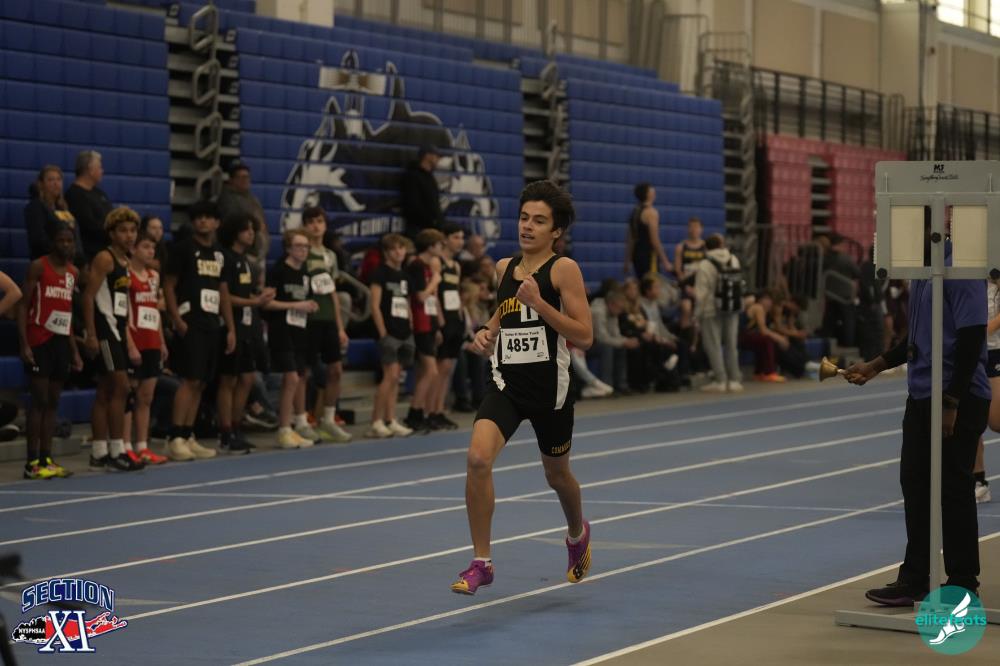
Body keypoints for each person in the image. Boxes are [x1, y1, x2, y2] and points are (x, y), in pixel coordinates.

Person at [451, 180, 593, 595]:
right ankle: (481, 562)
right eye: (524, 218)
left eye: (539, 221)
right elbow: (504, 311)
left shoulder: (563, 270)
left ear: (556, 231)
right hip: (507, 384)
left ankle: (576, 533)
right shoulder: (503, 267)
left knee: (557, 475)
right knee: (478, 459)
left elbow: (585, 336)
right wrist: (486, 331)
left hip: (550, 391)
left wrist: (541, 304)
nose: (527, 226)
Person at [845, 233, 989, 605]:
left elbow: (972, 337)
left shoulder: (961, 269)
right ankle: (915, 578)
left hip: (958, 395)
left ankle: (963, 582)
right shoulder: (922, 274)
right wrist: (878, 364)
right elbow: (918, 337)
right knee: (915, 482)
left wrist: (952, 402)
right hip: (922, 393)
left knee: (954, 488)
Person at [163, 200, 236, 461]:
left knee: (202, 382)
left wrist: (230, 327)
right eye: (198, 217)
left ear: (217, 223)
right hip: (190, 321)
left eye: (208, 217)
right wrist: (176, 318)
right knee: (190, 380)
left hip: (212, 323)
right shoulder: (183, 249)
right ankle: (175, 437)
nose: (203, 221)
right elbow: (168, 285)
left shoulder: (220, 255)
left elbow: (223, 291)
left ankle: (188, 433)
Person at [81, 207, 143, 471]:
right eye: (123, 231)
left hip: (117, 329)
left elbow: (122, 304)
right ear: (112, 233)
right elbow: (88, 297)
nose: (129, 236)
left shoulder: (126, 261)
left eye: (133, 231)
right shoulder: (105, 259)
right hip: (104, 329)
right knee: (121, 388)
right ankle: (117, 449)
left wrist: (128, 337)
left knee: (106, 391)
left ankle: (99, 452)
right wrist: (91, 334)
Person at [17, 224, 78, 479]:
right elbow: (23, 305)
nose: (65, 245)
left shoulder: (73, 272)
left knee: (53, 401)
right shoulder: (39, 267)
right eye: (61, 240)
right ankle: (32, 462)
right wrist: (24, 344)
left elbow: (67, 312)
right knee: (39, 401)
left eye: (69, 240)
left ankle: (47, 458)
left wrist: (74, 351)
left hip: (60, 341)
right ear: (53, 242)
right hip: (39, 339)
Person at [216, 215, 273, 454]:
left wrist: (260, 298)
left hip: (248, 324)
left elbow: (247, 294)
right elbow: (224, 296)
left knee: (247, 378)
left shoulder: (246, 261)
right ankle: (225, 432)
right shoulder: (226, 258)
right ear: (234, 232)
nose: (251, 234)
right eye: (246, 230)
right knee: (228, 379)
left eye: (252, 230)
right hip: (231, 325)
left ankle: (236, 426)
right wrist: (253, 301)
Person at [300, 207, 352, 443]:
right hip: (308, 319)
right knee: (304, 373)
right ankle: (301, 420)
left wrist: (340, 327)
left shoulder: (331, 256)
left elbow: (332, 292)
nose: (316, 226)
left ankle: (328, 420)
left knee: (336, 370)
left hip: (329, 319)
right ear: (304, 226)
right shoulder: (302, 252)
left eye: (320, 221)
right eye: (311, 222)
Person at [264, 229, 320, 449]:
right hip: (282, 330)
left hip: (300, 330)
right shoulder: (279, 270)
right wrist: (296, 305)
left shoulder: (305, 273)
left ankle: (297, 424)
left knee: (300, 376)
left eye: (306, 246)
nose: (303, 250)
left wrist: (310, 306)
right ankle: (284, 429)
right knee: (291, 378)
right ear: (288, 248)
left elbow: (305, 299)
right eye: (298, 246)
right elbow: (267, 303)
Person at [125, 232, 169, 465]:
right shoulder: (125, 276)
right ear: (133, 249)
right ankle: (125, 445)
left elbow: (154, 310)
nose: (150, 251)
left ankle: (142, 446)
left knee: (146, 397)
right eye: (145, 247)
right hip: (135, 340)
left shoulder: (154, 276)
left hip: (152, 340)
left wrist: (161, 341)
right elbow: (123, 313)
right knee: (129, 397)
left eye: (153, 247)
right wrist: (130, 344)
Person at [367, 234, 416, 438]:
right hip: (389, 331)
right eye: (394, 249)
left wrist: (410, 324)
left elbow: (406, 302)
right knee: (389, 376)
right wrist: (382, 333)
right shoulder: (380, 274)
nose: (399, 252)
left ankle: (391, 418)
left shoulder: (404, 276)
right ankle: (376, 421)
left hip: (404, 330)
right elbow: (375, 305)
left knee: (397, 377)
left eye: (401, 248)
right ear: (386, 253)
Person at [405, 229, 446, 431]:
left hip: (429, 322)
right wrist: (435, 281)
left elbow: (430, 299)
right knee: (431, 371)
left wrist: (437, 324)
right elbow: (421, 296)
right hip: (420, 323)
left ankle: (419, 411)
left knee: (425, 371)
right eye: (439, 245)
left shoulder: (427, 267)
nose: (441, 248)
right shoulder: (417, 266)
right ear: (430, 246)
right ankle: (414, 413)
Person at [427, 223, 466, 429]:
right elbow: (434, 293)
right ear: (445, 239)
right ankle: (430, 411)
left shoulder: (456, 266)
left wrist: (461, 316)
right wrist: (439, 319)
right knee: (439, 367)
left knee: (448, 367)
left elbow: (456, 291)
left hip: (455, 318)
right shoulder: (437, 262)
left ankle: (439, 409)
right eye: (456, 237)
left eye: (461, 237)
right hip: (442, 318)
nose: (460, 241)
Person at [694, 233, 743, 392]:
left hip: (711, 309)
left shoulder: (704, 264)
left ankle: (720, 380)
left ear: (706, 247)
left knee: (713, 345)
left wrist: (697, 314)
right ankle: (734, 379)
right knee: (731, 344)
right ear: (721, 245)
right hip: (732, 306)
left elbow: (701, 294)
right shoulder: (733, 259)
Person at [24, 165, 83, 261]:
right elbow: (38, 240)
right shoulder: (36, 207)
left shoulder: (63, 208)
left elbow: (75, 235)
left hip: (70, 261)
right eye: (51, 180)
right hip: (48, 260)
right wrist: (61, 252)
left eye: (59, 179)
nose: (56, 183)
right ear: (41, 184)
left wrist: (79, 256)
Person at [217, 162, 269, 268]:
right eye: (241, 177)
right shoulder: (227, 200)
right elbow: (233, 226)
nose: (245, 180)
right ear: (232, 180)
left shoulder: (253, 199)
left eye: (247, 177)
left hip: (257, 254)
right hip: (242, 254)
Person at [65, 150, 113, 262]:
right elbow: (88, 225)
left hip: (106, 251)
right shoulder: (75, 195)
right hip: (89, 255)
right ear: (90, 169)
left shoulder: (99, 193)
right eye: (100, 167)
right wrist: (113, 233)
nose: (102, 171)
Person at [624, 183, 672, 279]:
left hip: (636, 255)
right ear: (648, 194)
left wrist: (627, 260)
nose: (654, 191)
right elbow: (654, 240)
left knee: (642, 283)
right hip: (649, 254)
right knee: (652, 284)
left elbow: (630, 239)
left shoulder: (635, 212)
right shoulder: (651, 213)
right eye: (651, 190)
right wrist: (665, 262)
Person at [739, 290, 787, 383]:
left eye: (770, 299)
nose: (769, 302)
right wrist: (779, 338)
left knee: (762, 342)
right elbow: (763, 330)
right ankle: (769, 373)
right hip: (741, 336)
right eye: (766, 299)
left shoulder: (764, 310)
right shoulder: (758, 307)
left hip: (745, 336)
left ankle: (759, 373)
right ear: (760, 300)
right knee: (767, 340)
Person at [400, 145, 443, 239]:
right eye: (436, 156)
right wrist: (431, 221)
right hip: (418, 230)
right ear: (428, 156)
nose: (438, 159)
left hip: (431, 229)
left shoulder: (430, 177)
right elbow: (412, 205)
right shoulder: (412, 176)